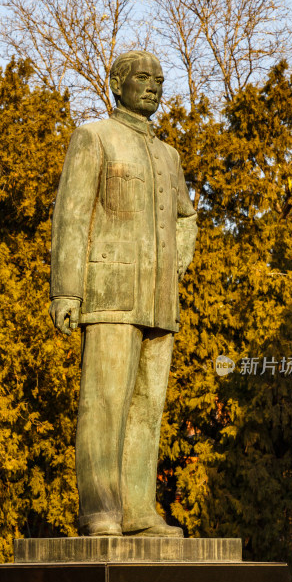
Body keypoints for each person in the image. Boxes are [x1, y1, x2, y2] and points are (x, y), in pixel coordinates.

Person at [49, 50, 198, 537]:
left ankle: (138, 508)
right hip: (109, 293)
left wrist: (174, 266)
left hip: (159, 299)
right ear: (117, 83)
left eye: (159, 79)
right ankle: (101, 509)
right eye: (142, 78)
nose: (153, 86)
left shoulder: (168, 155)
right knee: (104, 404)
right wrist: (66, 291)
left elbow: (185, 216)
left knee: (147, 408)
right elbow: (71, 216)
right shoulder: (94, 137)